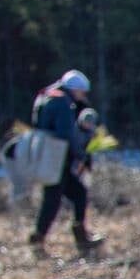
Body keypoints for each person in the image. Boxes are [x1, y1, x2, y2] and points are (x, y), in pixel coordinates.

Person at [28, 69, 102, 257]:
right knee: (52, 199)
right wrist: (81, 155)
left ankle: (81, 237)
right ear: (75, 89)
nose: (82, 97)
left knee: (78, 193)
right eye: (82, 92)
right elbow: (66, 133)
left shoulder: (46, 96)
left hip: (48, 155)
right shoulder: (62, 101)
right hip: (57, 158)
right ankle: (38, 240)